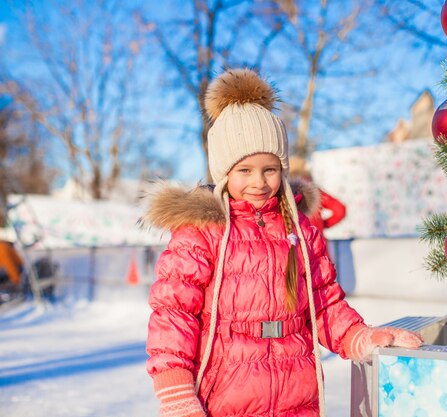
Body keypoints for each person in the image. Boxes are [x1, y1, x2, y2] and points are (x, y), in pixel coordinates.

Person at [143, 68, 423, 417]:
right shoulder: (202, 231)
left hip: (297, 391)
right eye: (244, 170)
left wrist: (356, 336)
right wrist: (175, 390)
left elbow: (323, 303)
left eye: (270, 169)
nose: (259, 182)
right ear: (224, 173)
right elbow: (175, 312)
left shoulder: (300, 229)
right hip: (226, 394)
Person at [289, 156, 347, 236]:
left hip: (295, 242)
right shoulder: (314, 190)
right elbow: (340, 210)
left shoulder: (285, 191)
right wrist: (323, 225)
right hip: (317, 240)